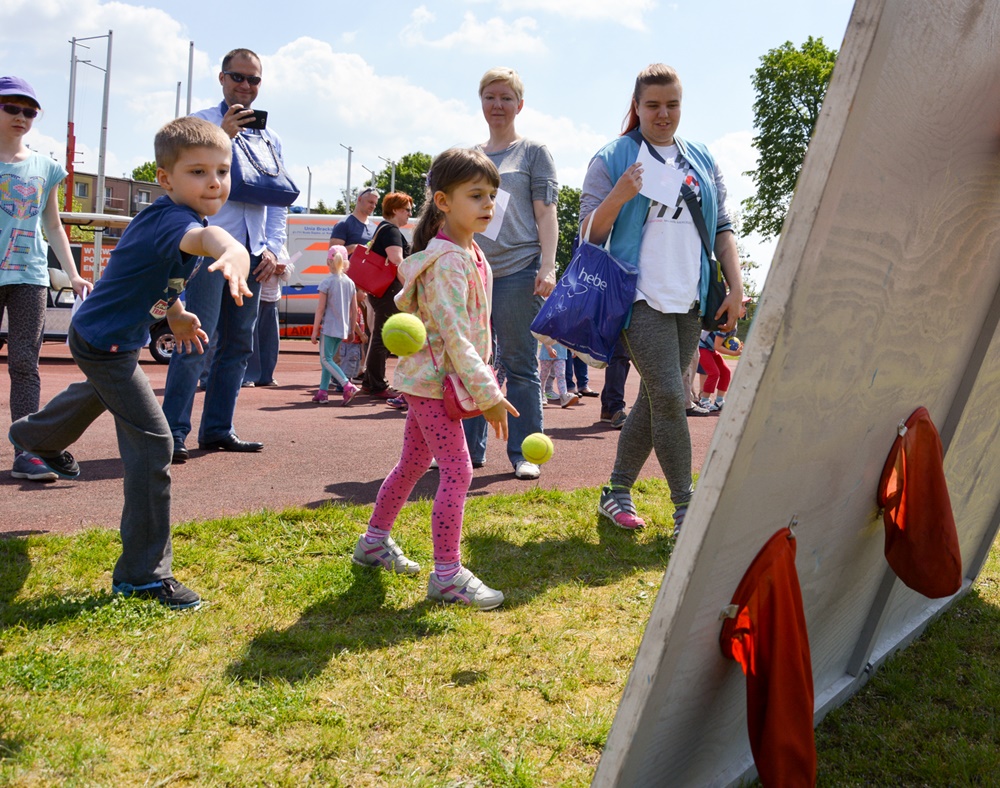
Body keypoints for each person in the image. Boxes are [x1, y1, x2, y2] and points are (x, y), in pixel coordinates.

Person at [8, 116, 251, 608]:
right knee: (155, 442)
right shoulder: (176, 223)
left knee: (106, 390)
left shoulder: (184, 221)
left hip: (107, 338)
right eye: (198, 172)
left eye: (222, 172)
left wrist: (178, 316)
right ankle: (142, 575)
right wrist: (235, 248)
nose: (214, 183)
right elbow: (208, 244)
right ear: (165, 179)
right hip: (104, 342)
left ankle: (34, 437)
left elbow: (165, 280)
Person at [351, 147, 518, 610]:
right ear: (443, 201)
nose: (488, 204)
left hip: (434, 381)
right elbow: (456, 337)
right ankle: (446, 574)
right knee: (459, 471)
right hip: (431, 384)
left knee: (410, 465)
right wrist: (488, 393)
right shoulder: (447, 262)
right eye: (476, 195)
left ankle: (372, 544)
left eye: (491, 195)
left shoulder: (472, 253)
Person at [582, 63, 743, 534]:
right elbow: (588, 235)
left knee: (657, 402)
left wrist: (735, 286)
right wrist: (618, 195)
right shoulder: (613, 157)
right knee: (673, 396)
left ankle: (615, 491)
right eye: (653, 105)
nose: (663, 114)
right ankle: (686, 510)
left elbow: (722, 228)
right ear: (636, 106)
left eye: (672, 104)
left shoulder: (701, 158)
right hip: (637, 297)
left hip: (690, 299)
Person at [163, 47, 288, 464]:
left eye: (254, 80)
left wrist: (273, 247)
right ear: (221, 78)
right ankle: (172, 433)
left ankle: (217, 428)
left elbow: (276, 199)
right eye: (238, 77)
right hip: (207, 248)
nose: (246, 86)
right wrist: (224, 135)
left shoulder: (270, 136)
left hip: (251, 254)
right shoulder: (199, 123)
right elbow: (190, 180)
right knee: (196, 341)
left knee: (238, 345)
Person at [463, 67, 558, 481]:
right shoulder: (470, 157)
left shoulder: (534, 152)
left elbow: (546, 213)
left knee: (520, 363)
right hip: (472, 273)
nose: (497, 105)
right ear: (481, 102)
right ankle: (466, 452)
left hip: (520, 270)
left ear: (519, 104)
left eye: (505, 97)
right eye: (490, 97)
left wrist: (548, 265)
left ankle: (525, 452)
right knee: (471, 363)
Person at [0, 76, 92, 482]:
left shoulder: (47, 167)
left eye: (30, 111)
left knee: (25, 364)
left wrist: (72, 274)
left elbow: (53, 225)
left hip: (30, 276)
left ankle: (28, 450)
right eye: (12, 108)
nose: (22, 117)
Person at [362, 191, 413, 398]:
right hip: (388, 290)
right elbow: (396, 260)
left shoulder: (383, 228)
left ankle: (371, 381)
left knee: (381, 335)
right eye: (407, 210)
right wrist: (409, 285)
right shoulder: (391, 230)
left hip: (380, 290)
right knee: (384, 337)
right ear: (396, 210)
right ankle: (377, 384)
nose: (410, 214)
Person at [310, 245, 362, 404]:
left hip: (329, 328)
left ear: (328, 262)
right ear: (346, 263)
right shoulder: (350, 283)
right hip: (343, 328)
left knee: (325, 359)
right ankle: (322, 392)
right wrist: (352, 329)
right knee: (329, 359)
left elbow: (320, 309)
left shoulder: (326, 282)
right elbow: (354, 309)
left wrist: (313, 331)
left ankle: (347, 385)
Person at [243, 245, 293, 387]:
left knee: (270, 341)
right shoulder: (253, 241)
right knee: (251, 340)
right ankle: (248, 377)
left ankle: (266, 377)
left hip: (272, 299)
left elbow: (289, 272)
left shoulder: (280, 246)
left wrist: (282, 270)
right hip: (253, 297)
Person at [538, 338, 579, 408]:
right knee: (544, 375)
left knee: (561, 375)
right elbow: (543, 336)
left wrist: (573, 350)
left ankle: (564, 396)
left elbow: (568, 339)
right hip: (546, 354)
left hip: (561, 354)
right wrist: (549, 348)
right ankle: (540, 394)